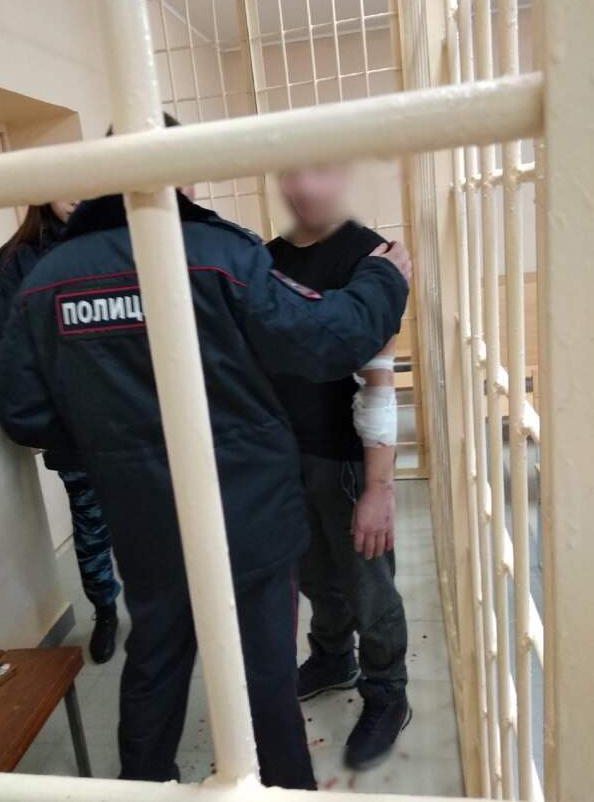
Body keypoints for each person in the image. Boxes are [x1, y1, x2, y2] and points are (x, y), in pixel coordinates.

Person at [0, 158, 411, 787]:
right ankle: (282, 789)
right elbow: (327, 338)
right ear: (185, 177)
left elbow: (22, 410)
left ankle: (142, 787)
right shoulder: (224, 255)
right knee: (264, 671)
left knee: (156, 659)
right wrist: (384, 278)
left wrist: (115, 447)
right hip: (249, 504)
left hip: (145, 512)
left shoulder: (48, 276)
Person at [268, 164, 410, 770]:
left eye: (319, 169)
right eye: (291, 171)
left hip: (349, 459)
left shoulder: (373, 259)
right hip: (286, 456)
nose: (304, 186)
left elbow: (378, 381)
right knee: (315, 576)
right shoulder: (264, 259)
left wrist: (379, 489)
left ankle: (387, 691)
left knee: (369, 588)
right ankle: (332, 658)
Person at [0, 201, 121, 664]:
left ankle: (165, 610)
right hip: (74, 429)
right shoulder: (10, 266)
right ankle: (105, 609)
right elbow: (5, 360)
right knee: (91, 525)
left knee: (155, 521)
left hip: (135, 422)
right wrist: (42, 423)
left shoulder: (116, 243)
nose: (75, 195)